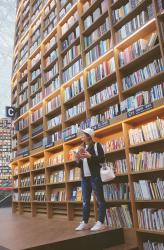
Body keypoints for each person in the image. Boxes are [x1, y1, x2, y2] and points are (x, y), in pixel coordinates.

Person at [74, 128, 106, 231]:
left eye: (83, 134)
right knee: (85, 201)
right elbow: (81, 165)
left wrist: (90, 156)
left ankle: (100, 222)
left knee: (100, 200)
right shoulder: (81, 147)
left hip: (95, 176)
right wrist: (77, 159)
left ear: (89, 136)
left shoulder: (97, 145)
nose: (81, 136)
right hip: (85, 178)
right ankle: (85, 222)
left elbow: (102, 159)